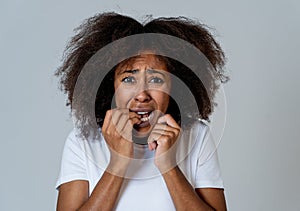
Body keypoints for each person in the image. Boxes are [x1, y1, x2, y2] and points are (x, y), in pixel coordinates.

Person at [55, 12, 228, 210]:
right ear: (109, 87)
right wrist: (118, 163)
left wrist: (168, 166)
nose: (142, 95)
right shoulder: (82, 142)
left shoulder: (197, 136)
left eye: (156, 79)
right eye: (128, 79)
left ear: (175, 87)